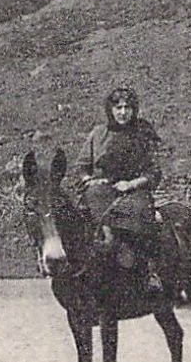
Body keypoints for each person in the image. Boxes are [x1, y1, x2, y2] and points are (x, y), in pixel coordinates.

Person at [71, 85, 168, 291]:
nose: (123, 112)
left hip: (133, 191)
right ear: (110, 110)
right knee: (79, 217)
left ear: (134, 110)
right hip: (100, 191)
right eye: (118, 108)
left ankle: (150, 271)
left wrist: (130, 184)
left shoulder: (142, 133)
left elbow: (153, 172)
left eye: (127, 107)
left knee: (141, 215)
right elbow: (81, 166)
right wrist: (89, 179)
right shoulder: (98, 134)